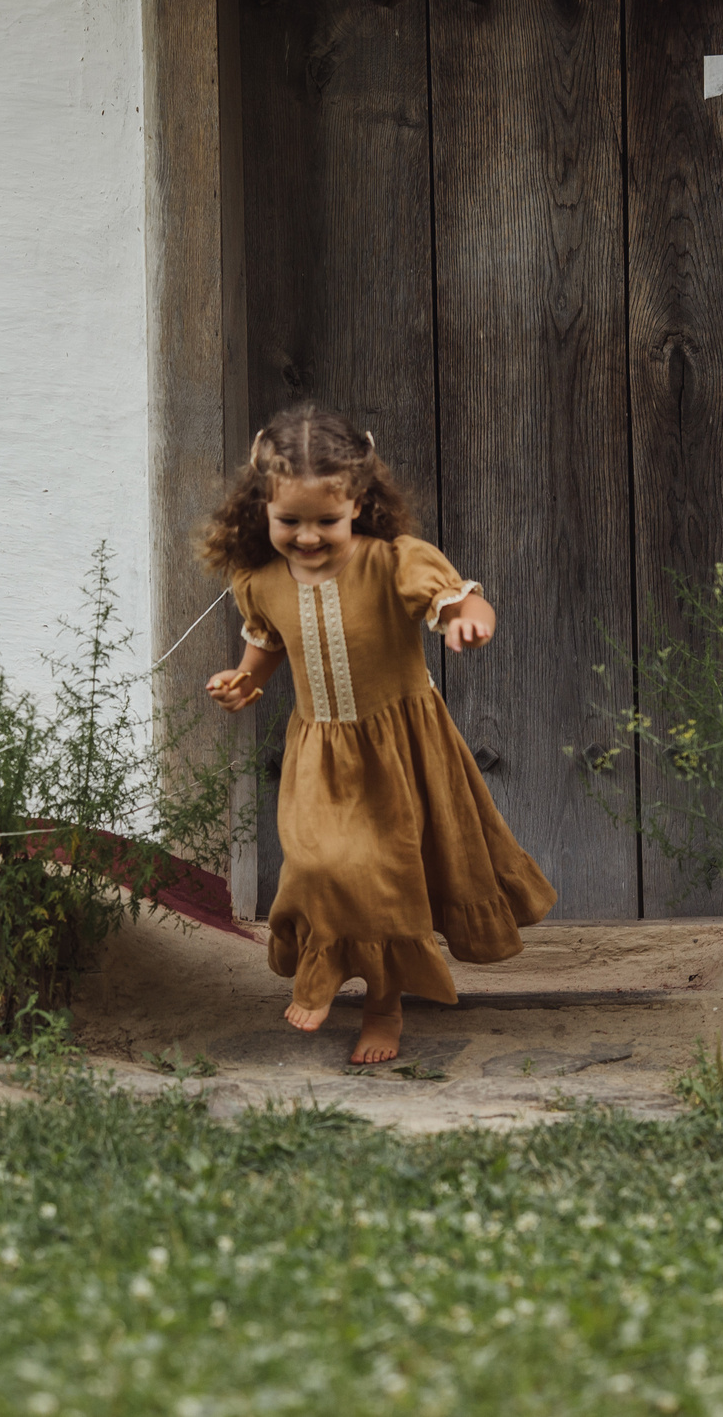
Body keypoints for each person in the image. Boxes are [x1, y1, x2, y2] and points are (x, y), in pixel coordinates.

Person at [200, 403, 556, 1064]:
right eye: (290, 521)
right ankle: (326, 969)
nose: (308, 537)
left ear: (358, 503)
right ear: (262, 507)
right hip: (320, 750)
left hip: (399, 749)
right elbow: (267, 645)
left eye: (326, 521)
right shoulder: (261, 580)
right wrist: (244, 682)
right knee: (316, 863)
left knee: (382, 876)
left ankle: (384, 1004)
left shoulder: (394, 561)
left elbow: (459, 599)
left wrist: (467, 621)